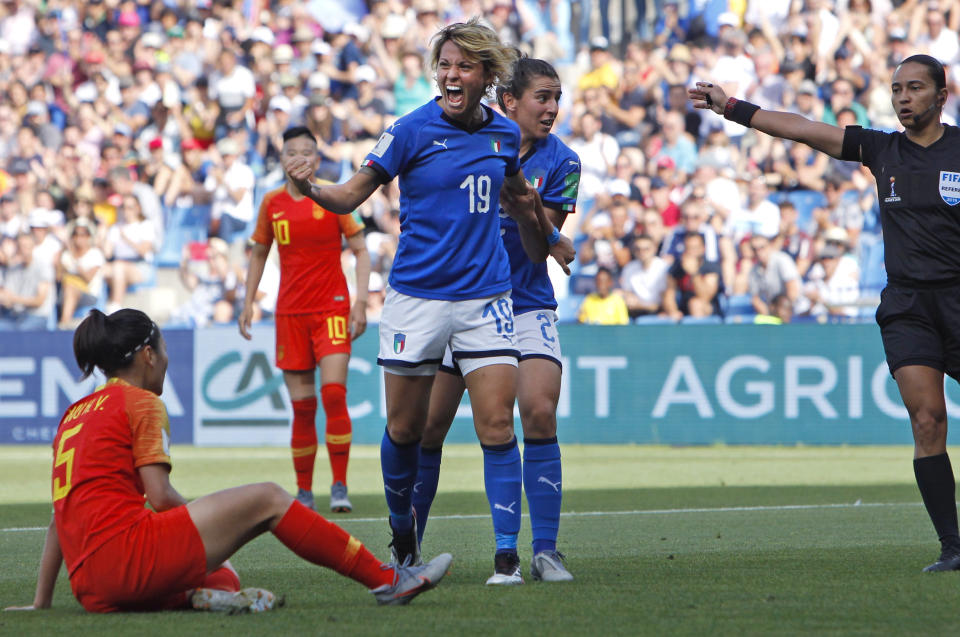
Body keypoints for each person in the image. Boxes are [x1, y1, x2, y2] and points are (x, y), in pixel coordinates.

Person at [283, 19, 574, 581]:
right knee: (405, 431)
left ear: (486, 75)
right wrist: (312, 187)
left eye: (463, 65)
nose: (450, 74)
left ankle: (508, 559)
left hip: (489, 299)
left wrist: (548, 232)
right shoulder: (409, 130)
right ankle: (402, 538)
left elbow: (515, 191)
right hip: (416, 299)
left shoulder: (502, 135)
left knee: (497, 427)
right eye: (444, 64)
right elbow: (349, 196)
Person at [690, 54, 960, 572]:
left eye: (916, 89)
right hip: (907, 306)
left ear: (941, 96)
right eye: (897, 89)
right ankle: (952, 547)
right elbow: (805, 130)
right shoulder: (883, 149)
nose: (904, 98)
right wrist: (735, 109)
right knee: (928, 420)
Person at [5, 309, 451, 613]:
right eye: (162, 350)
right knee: (269, 498)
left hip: (91, 589)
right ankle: (386, 580)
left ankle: (198, 596)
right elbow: (159, 497)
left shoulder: (73, 416)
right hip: (126, 561)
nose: (165, 359)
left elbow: (57, 519)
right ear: (146, 355)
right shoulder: (139, 402)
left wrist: (42, 601)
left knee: (223, 580)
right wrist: (208, 533)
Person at [409, 56, 580, 585]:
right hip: (465, 301)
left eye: (556, 98)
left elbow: (537, 251)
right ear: (509, 102)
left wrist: (530, 209)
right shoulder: (470, 142)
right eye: (542, 97)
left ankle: (543, 552)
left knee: (538, 413)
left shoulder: (564, 162)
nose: (552, 108)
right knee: (426, 428)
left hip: (525, 303)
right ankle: (405, 551)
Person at [239, 126, 372, 514]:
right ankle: (304, 491)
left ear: (316, 160)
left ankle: (340, 486)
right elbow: (259, 253)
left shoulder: (334, 195)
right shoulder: (271, 203)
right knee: (302, 407)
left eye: (307, 152)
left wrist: (360, 303)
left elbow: (362, 251)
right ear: (282, 160)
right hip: (290, 313)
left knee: (333, 394)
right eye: (291, 151)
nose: (299, 157)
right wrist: (248, 301)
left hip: (331, 308)